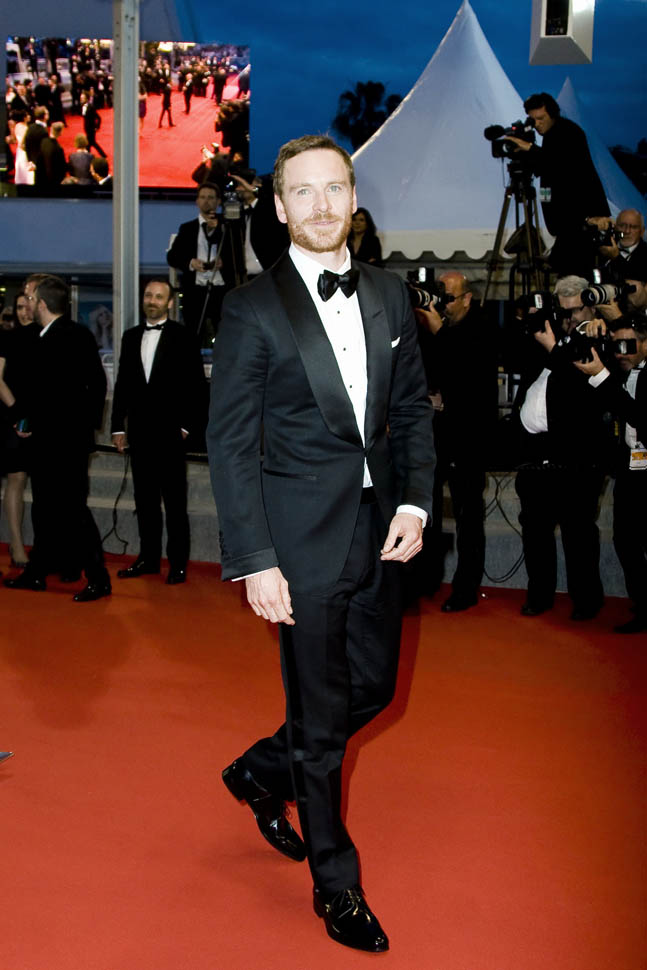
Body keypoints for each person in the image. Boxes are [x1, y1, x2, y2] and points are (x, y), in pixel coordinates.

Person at [208, 134, 435, 953]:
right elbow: (231, 443)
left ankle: (258, 772)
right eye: (301, 192)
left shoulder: (388, 293)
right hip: (297, 543)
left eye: (333, 188)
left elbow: (408, 411)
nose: (320, 205)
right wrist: (254, 559)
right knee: (320, 722)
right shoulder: (250, 307)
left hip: (381, 534)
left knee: (370, 690)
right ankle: (335, 885)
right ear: (278, 207)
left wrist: (414, 501)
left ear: (353, 196)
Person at [4, 275, 111, 602]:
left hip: (66, 444)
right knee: (45, 509)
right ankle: (37, 572)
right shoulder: (44, 336)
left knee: (73, 510)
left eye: (31, 299)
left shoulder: (72, 336)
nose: (27, 305)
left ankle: (98, 578)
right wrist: (25, 419)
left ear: (42, 303)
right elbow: (40, 393)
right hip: (45, 442)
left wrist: (81, 430)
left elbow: (94, 386)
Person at [513, 275, 609, 620]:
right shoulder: (546, 336)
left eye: (576, 310)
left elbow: (580, 387)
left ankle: (586, 600)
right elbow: (517, 359)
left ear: (591, 306)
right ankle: (539, 595)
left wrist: (554, 348)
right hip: (535, 452)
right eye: (564, 310)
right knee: (535, 530)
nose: (570, 317)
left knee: (578, 532)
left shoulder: (600, 338)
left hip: (577, 453)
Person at [111, 279, 206, 585]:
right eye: (148, 295)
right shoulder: (130, 336)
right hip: (139, 433)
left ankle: (178, 564)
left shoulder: (184, 336)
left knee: (175, 504)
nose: (152, 300)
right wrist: (117, 426)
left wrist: (186, 427)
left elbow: (196, 387)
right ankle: (148, 559)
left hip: (170, 434)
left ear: (170, 303)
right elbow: (122, 384)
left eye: (158, 297)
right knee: (145, 502)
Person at [414, 271, 499, 610]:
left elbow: (470, 377)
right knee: (427, 512)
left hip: (469, 437)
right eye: (440, 297)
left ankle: (465, 588)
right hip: (434, 434)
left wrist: (440, 332)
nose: (443, 304)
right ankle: (425, 580)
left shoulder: (483, 327)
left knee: (468, 517)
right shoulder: (427, 327)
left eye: (449, 298)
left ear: (467, 298)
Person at [574, 313, 647, 633]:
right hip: (629, 468)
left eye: (628, 345)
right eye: (616, 345)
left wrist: (602, 376)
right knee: (625, 539)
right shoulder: (621, 371)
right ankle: (643, 604)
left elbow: (637, 414)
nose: (621, 352)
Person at [505, 92, 609, 277]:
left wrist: (529, 148)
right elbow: (546, 168)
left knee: (574, 274)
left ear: (553, 114)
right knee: (566, 269)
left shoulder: (568, 132)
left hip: (578, 217)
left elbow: (559, 165)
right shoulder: (552, 135)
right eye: (533, 120)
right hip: (567, 222)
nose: (537, 124)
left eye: (541, 118)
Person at [166, 183, 243, 341]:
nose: (206, 201)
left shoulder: (229, 227)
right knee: (192, 336)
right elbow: (172, 256)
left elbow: (238, 256)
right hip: (195, 292)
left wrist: (223, 261)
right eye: (202, 197)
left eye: (210, 197)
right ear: (197, 201)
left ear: (218, 201)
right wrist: (191, 263)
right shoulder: (187, 228)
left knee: (226, 336)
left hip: (221, 291)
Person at [0, 291, 40, 569]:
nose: (25, 312)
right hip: (11, 416)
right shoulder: (6, 338)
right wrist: (17, 414)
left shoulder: (46, 337)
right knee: (16, 478)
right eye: (20, 307)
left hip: (42, 418)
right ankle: (16, 544)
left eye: (28, 306)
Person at [35, 121, 67, 191]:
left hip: (41, 178)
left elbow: (39, 159)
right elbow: (61, 168)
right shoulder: (58, 148)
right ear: (61, 132)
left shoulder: (43, 141)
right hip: (53, 181)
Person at [80, 91, 107, 158]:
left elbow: (98, 118)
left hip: (91, 128)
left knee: (92, 142)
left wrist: (97, 127)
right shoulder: (83, 106)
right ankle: (101, 154)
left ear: (87, 99)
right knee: (91, 143)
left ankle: (101, 155)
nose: (81, 99)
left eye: (83, 98)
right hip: (87, 128)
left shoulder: (91, 107)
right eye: (81, 98)